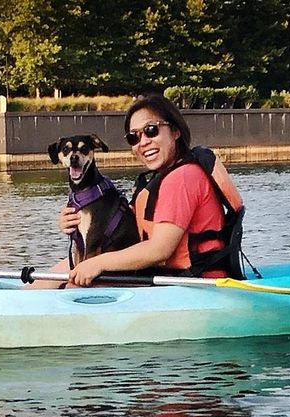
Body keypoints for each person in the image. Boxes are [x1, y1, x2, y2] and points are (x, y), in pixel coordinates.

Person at [55, 93, 244, 288]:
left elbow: (159, 250)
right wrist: (73, 222)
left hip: (191, 283)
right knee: (63, 269)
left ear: (175, 130)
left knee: (73, 287)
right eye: (133, 137)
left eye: (151, 130)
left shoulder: (182, 178)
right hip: (163, 277)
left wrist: (97, 263)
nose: (143, 142)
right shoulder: (159, 179)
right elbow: (124, 225)